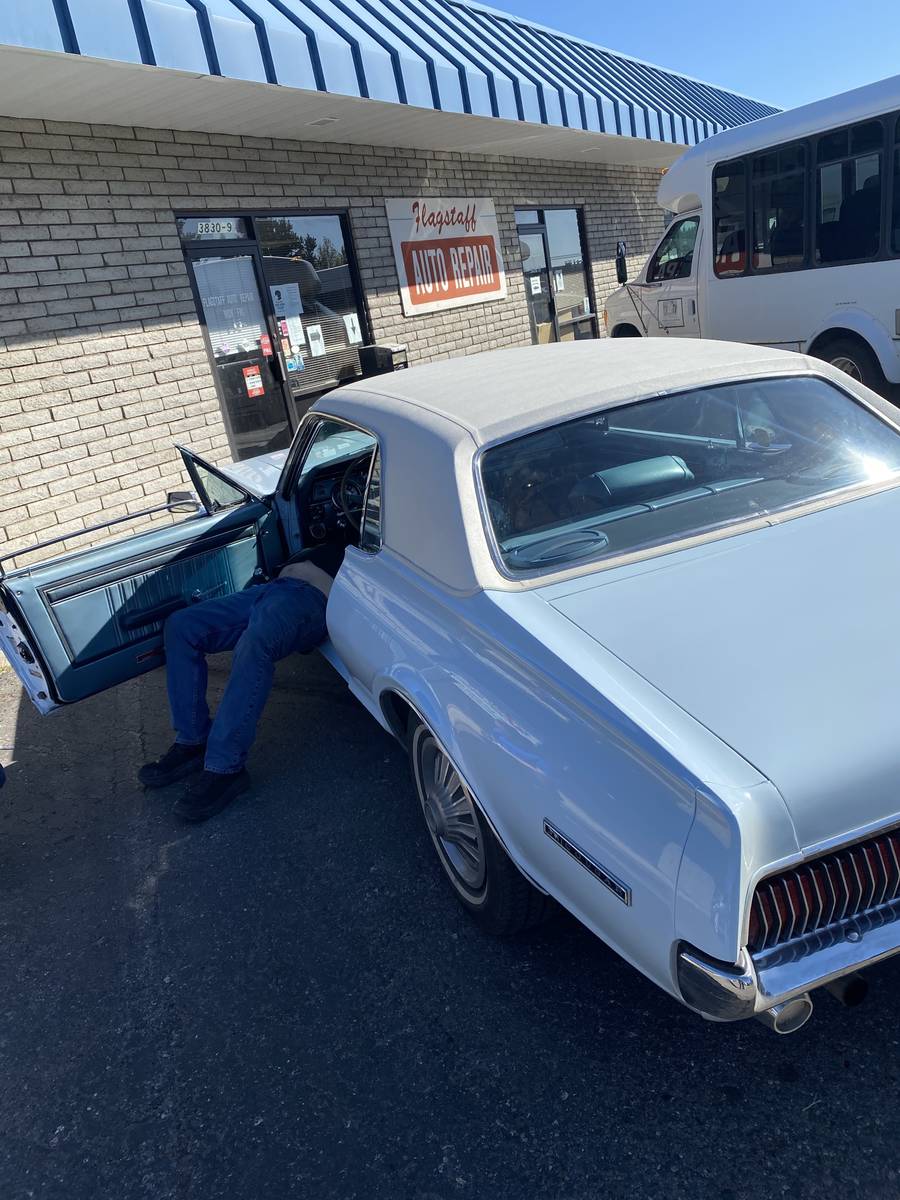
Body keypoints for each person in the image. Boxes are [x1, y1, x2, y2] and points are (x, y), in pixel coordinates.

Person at [138, 544, 344, 823]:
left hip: (312, 599)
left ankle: (226, 767)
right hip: (272, 589)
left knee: (254, 644)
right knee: (181, 625)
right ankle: (192, 741)